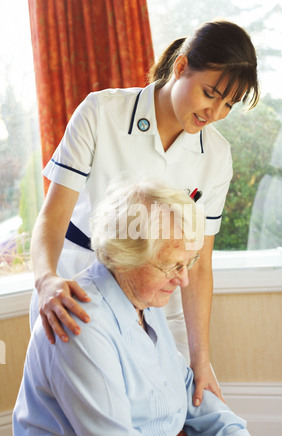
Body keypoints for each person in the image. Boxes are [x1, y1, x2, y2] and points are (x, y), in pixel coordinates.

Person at [29, 20, 260, 405]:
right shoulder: (102, 112)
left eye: (228, 105)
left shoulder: (216, 156)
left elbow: (200, 264)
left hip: (157, 300)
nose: (215, 113)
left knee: (174, 414)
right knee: (91, 418)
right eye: (210, 94)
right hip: (83, 289)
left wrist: (202, 360)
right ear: (181, 67)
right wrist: (46, 280)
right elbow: (52, 216)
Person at [13, 180, 257, 436]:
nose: (183, 280)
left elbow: (184, 387)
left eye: (188, 263)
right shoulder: (81, 322)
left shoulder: (143, 297)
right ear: (123, 258)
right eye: (171, 266)